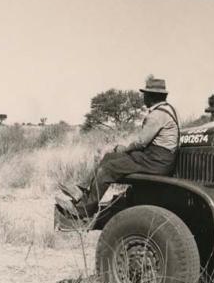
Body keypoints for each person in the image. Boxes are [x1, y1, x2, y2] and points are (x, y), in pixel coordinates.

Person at [59, 77, 179, 217]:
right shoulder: (168, 110)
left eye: (145, 94)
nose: (143, 97)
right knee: (109, 157)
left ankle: (85, 210)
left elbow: (141, 142)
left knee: (107, 170)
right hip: (156, 158)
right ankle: (80, 190)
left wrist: (125, 149)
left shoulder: (157, 115)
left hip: (155, 161)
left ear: (152, 96)